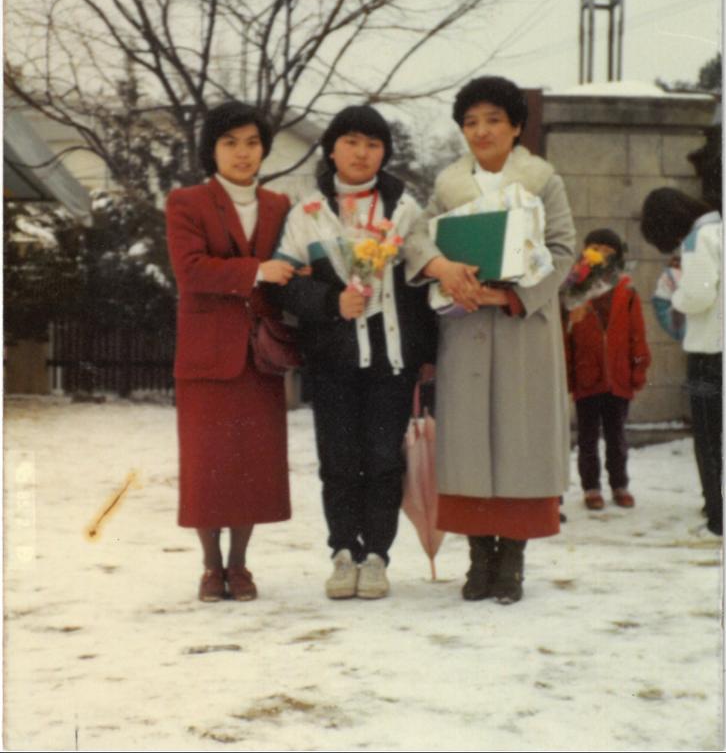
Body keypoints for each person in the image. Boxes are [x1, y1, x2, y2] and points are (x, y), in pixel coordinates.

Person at [405, 76, 575, 604]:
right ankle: (480, 559)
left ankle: (514, 561)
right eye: (471, 122)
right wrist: (442, 266)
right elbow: (417, 239)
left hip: (523, 325)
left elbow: (564, 249)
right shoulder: (448, 185)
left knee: (520, 437)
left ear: (516, 126)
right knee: (471, 440)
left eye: (494, 120)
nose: (482, 131)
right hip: (466, 321)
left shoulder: (543, 180)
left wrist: (511, 298)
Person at [274, 105, 435, 600]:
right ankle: (343, 552)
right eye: (351, 142)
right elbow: (282, 284)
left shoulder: (406, 209)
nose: (361, 153)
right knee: (339, 460)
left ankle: (377, 557)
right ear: (332, 149)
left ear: (384, 152)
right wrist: (329, 302)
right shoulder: (306, 213)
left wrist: (426, 356)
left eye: (372, 144)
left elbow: (423, 285)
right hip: (333, 360)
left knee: (385, 461)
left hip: (391, 362)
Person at [166, 101, 296, 602]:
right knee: (207, 464)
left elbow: (294, 270)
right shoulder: (186, 203)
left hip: (261, 354)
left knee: (250, 464)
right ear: (211, 150)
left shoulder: (281, 206)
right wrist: (257, 271)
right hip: (206, 355)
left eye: (252, 143)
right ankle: (209, 567)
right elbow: (191, 271)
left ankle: (239, 566)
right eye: (230, 143)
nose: (243, 153)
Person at [640, 187, 722, 537]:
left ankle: (717, 512)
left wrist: (677, 297)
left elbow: (700, 293)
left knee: (708, 437)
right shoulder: (719, 230)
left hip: (707, 353)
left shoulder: (696, 240)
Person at [562, 229, 651, 511]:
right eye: (594, 246)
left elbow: (637, 335)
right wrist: (568, 375)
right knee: (587, 437)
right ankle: (591, 487)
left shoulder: (626, 290)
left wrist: (638, 369)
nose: (600, 252)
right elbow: (567, 339)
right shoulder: (576, 289)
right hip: (587, 377)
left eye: (606, 248)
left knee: (617, 436)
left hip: (618, 378)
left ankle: (619, 484)